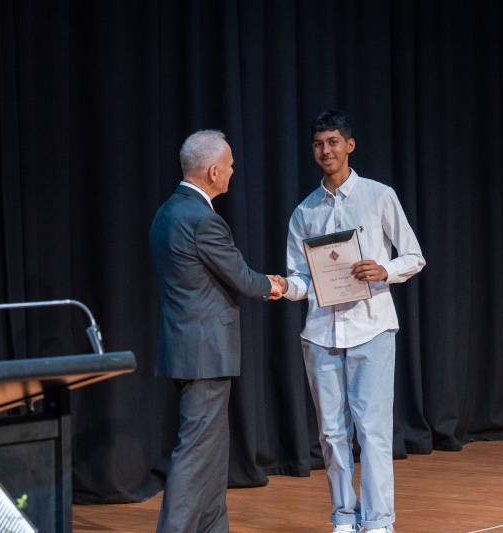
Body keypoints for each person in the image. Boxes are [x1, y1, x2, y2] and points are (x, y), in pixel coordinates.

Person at [272, 110, 425, 533]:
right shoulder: (304, 211)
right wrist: (284, 286)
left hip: (372, 327)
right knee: (331, 433)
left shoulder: (378, 196)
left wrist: (384, 270)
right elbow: (302, 279)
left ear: (349, 145)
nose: (326, 150)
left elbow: (414, 256)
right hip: (321, 333)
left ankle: (377, 522)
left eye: (333, 142)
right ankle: (343, 517)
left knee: (373, 432)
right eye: (318, 144)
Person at [149, 130, 282, 533]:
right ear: (212, 172)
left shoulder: (166, 211)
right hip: (204, 351)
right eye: (229, 165)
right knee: (196, 453)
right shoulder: (204, 220)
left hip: (185, 347)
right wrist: (273, 285)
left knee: (211, 450)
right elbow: (240, 277)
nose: (232, 171)